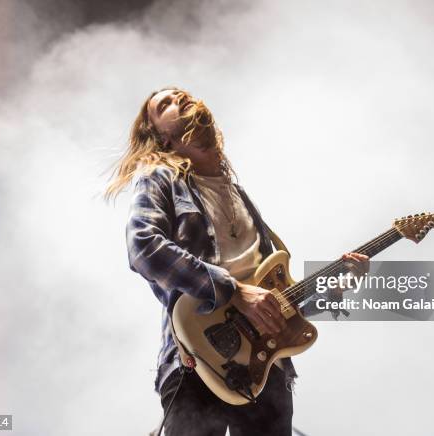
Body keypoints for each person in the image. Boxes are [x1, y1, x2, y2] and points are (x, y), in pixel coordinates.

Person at [104, 87, 369, 435]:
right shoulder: (161, 179)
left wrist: (336, 289)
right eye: (163, 104)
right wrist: (233, 292)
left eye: (180, 94)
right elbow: (143, 247)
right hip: (196, 358)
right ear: (162, 138)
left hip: (263, 368)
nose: (177, 98)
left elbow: (277, 304)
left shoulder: (239, 196)